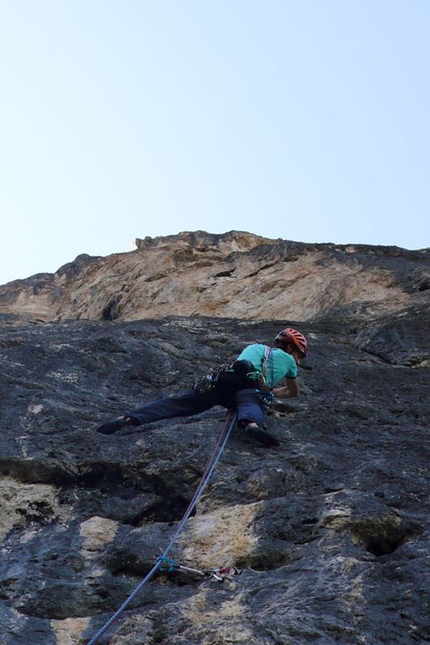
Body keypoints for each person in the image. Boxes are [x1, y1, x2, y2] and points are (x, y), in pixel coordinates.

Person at [96, 327, 307, 447]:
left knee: (180, 403)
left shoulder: (254, 347)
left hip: (223, 380)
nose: (298, 361)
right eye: (298, 355)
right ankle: (251, 426)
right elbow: (293, 392)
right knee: (250, 402)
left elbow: (243, 367)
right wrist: (269, 390)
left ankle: (130, 418)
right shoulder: (288, 361)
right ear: (290, 348)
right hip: (248, 386)